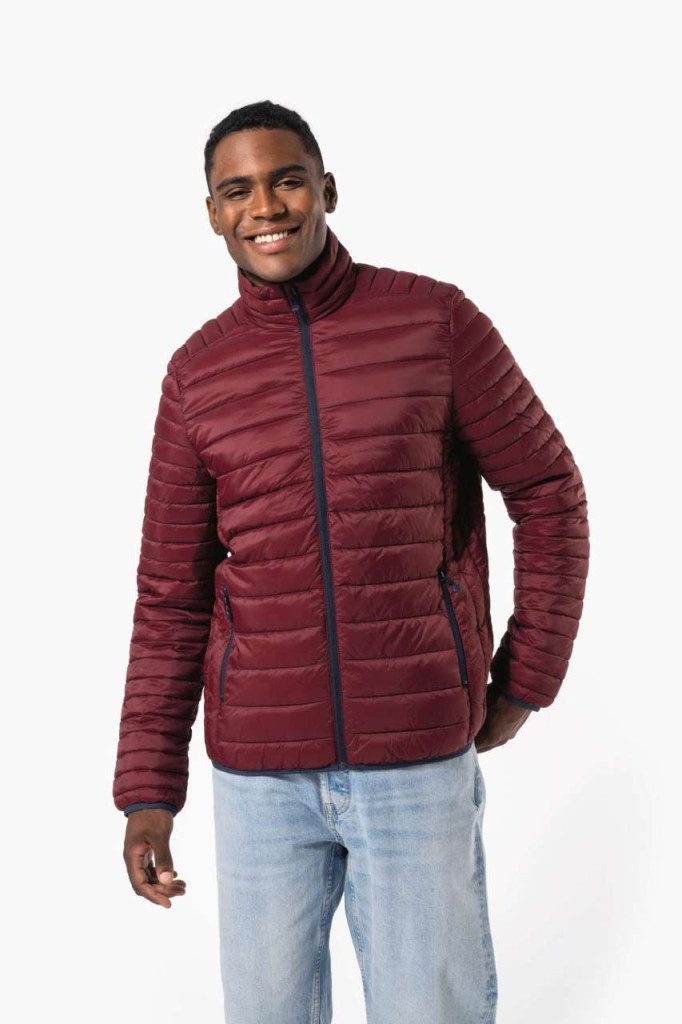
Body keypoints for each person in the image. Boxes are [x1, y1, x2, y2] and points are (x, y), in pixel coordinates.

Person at [113, 100, 590, 1024]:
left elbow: (548, 492)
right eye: (237, 190)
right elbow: (170, 595)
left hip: (414, 758)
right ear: (211, 214)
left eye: (287, 180)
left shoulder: (434, 323)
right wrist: (147, 789)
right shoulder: (198, 375)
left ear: (327, 190)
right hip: (259, 779)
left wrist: (527, 677)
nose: (266, 207)